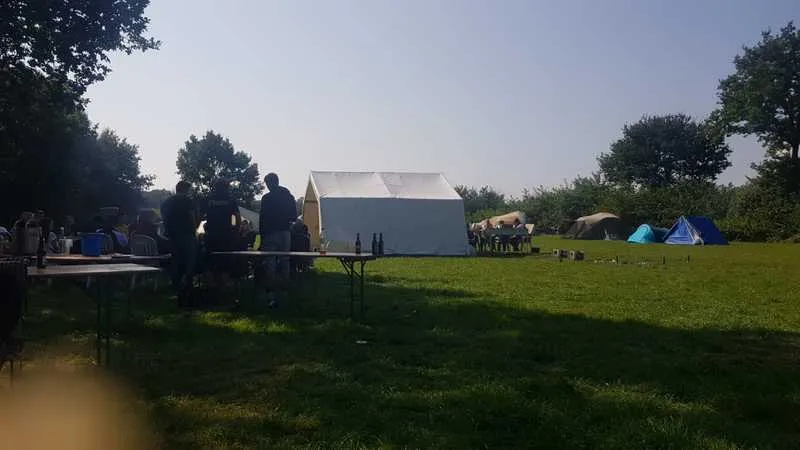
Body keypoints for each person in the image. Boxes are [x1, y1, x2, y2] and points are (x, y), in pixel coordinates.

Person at [259, 173, 296, 306]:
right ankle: (284, 290)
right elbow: (294, 215)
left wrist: (262, 236)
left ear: (269, 183)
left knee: (270, 261)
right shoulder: (288, 195)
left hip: (270, 232)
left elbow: (262, 218)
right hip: (285, 232)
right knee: (285, 260)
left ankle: (271, 292)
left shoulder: (266, 198)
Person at [160, 181, 199, 306]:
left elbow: (163, 217)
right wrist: (194, 231)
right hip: (187, 234)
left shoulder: (167, 202)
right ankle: (188, 290)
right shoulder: (187, 201)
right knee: (189, 262)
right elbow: (192, 217)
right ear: (185, 189)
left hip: (172, 236)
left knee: (176, 262)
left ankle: (177, 289)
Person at [204, 180, 242, 283]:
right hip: (226, 234)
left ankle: (210, 286)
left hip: (211, 234)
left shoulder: (209, 199)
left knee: (210, 261)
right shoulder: (230, 199)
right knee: (226, 262)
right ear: (226, 188)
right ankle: (224, 287)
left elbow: (200, 214)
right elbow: (238, 217)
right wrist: (236, 231)